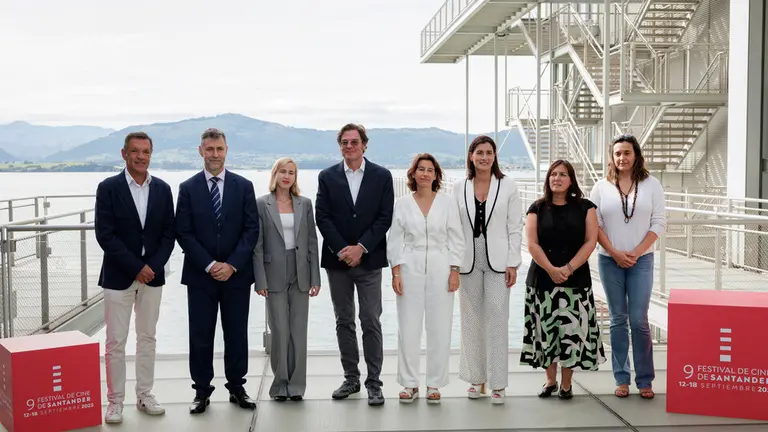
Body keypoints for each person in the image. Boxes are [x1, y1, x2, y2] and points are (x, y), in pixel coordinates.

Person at [175, 128, 260, 414]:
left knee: (236, 334)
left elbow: (251, 230)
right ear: (201, 151)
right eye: (209, 149)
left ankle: (237, 387)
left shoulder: (244, 186)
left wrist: (231, 265)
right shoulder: (187, 188)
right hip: (201, 276)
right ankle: (201, 391)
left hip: (236, 275)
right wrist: (211, 265)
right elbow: (184, 233)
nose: (215, 154)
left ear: (226, 150)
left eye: (219, 149)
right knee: (200, 335)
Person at [94, 132, 175, 424]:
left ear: (151, 154)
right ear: (124, 154)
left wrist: (152, 266)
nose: (141, 157)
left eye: (146, 152)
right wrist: (135, 267)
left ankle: (145, 394)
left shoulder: (163, 189)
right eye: (135, 151)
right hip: (118, 277)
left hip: (152, 276)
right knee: (115, 341)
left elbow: (169, 234)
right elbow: (105, 235)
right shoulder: (108, 188)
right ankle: (115, 401)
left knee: (147, 337)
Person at [315, 123, 394, 406]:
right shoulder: (327, 176)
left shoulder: (382, 176)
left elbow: (384, 217)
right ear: (340, 146)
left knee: (371, 320)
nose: (349, 146)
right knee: (344, 321)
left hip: (369, 260)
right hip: (337, 262)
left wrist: (361, 247)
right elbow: (322, 217)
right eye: (344, 142)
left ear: (364, 144)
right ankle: (351, 379)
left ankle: (374, 382)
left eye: (354, 142)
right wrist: (343, 250)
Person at [520, 159, 606, 400]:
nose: (556, 178)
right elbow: (532, 244)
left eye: (562, 174)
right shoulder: (536, 208)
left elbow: (591, 241)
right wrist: (551, 269)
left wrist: (568, 268)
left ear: (571, 180)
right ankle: (550, 381)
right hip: (542, 279)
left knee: (571, 334)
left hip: (576, 280)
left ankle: (566, 384)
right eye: (553, 174)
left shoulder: (586, 207)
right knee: (546, 332)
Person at [590, 134, 666, 400]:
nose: (622, 157)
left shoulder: (652, 185)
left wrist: (635, 252)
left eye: (627, 153)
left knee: (639, 320)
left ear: (636, 155)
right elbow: (595, 225)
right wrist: (614, 252)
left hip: (641, 260)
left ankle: (645, 380)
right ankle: (621, 378)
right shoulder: (601, 187)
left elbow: (659, 223)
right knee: (618, 320)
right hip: (609, 260)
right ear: (612, 157)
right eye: (617, 153)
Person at [387, 153, 464, 404]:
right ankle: (409, 383)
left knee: (440, 327)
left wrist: (455, 270)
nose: (425, 173)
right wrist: (396, 272)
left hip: (441, 266)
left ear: (436, 175)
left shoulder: (447, 203)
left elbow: (457, 238)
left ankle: (434, 383)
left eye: (430, 170)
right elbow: (394, 240)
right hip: (410, 265)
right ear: (413, 173)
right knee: (408, 327)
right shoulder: (402, 203)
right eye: (421, 169)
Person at [452, 135, 522, 404]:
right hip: (468, 260)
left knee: (497, 318)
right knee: (470, 320)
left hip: (499, 260)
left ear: (494, 156)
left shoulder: (508, 185)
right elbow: (454, 229)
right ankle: (475, 379)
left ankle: (498, 384)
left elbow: (515, 227)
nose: (484, 157)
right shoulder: (459, 187)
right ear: (471, 156)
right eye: (479, 152)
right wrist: (453, 264)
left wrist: (513, 262)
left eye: (489, 152)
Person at [253, 157, 321, 402]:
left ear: (295, 177)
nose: (287, 176)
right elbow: (257, 245)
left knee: (298, 331)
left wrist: (315, 277)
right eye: (283, 171)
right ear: (275, 174)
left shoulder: (305, 204)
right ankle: (280, 384)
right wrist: (260, 280)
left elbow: (312, 242)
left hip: (301, 271)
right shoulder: (262, 204)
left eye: (291, 172)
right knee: (280, 330)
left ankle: (297, 386)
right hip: (273, 273)